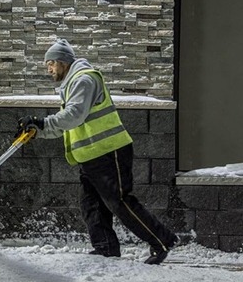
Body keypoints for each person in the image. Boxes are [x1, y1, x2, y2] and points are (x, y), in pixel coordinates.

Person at [15, 38, 179, 265]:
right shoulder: (72, 83)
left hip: (108, 152)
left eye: (51, 63)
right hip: (91, 156)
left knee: (119, 202)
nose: (49, 69)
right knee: (91, 204)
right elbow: (70, 123)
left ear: (63, 62)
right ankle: (105, 249)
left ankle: (162, 241)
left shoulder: (84, 80)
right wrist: (37, 130)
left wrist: (42, 122)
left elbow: (74, 115)